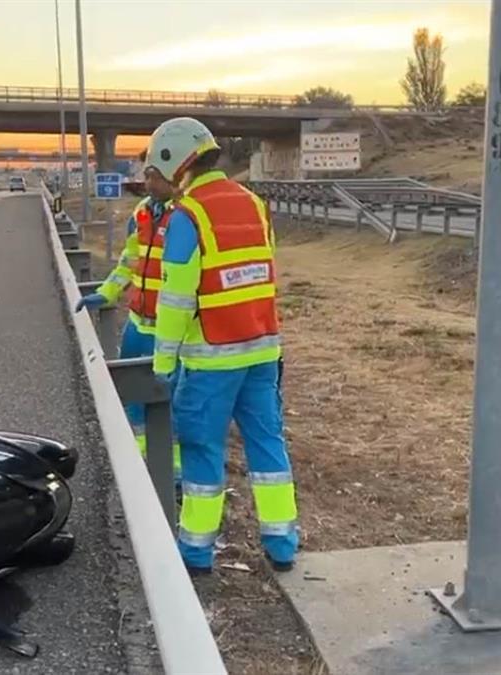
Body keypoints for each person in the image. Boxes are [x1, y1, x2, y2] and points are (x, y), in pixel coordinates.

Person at [145, 117, 298, 574]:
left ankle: (196, 549)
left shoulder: (188, 214)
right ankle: (282, 541)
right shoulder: (254, 203)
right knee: (268, 446)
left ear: (174, 160)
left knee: (202, 449)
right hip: (263, 350)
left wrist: (162, 361)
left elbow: (175, 298)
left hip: (211, 359)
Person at [75, 155, 181, 481]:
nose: (147, 183)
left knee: (171, 405)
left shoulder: (188, 216)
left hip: (173, 331)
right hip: (138, 324)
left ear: (174, 178)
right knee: (132, 400)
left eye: (154, 177)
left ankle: (172, 470)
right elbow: (128, 262)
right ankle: (136, 463)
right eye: (146, 176)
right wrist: (108, 293)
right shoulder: (143, 213)